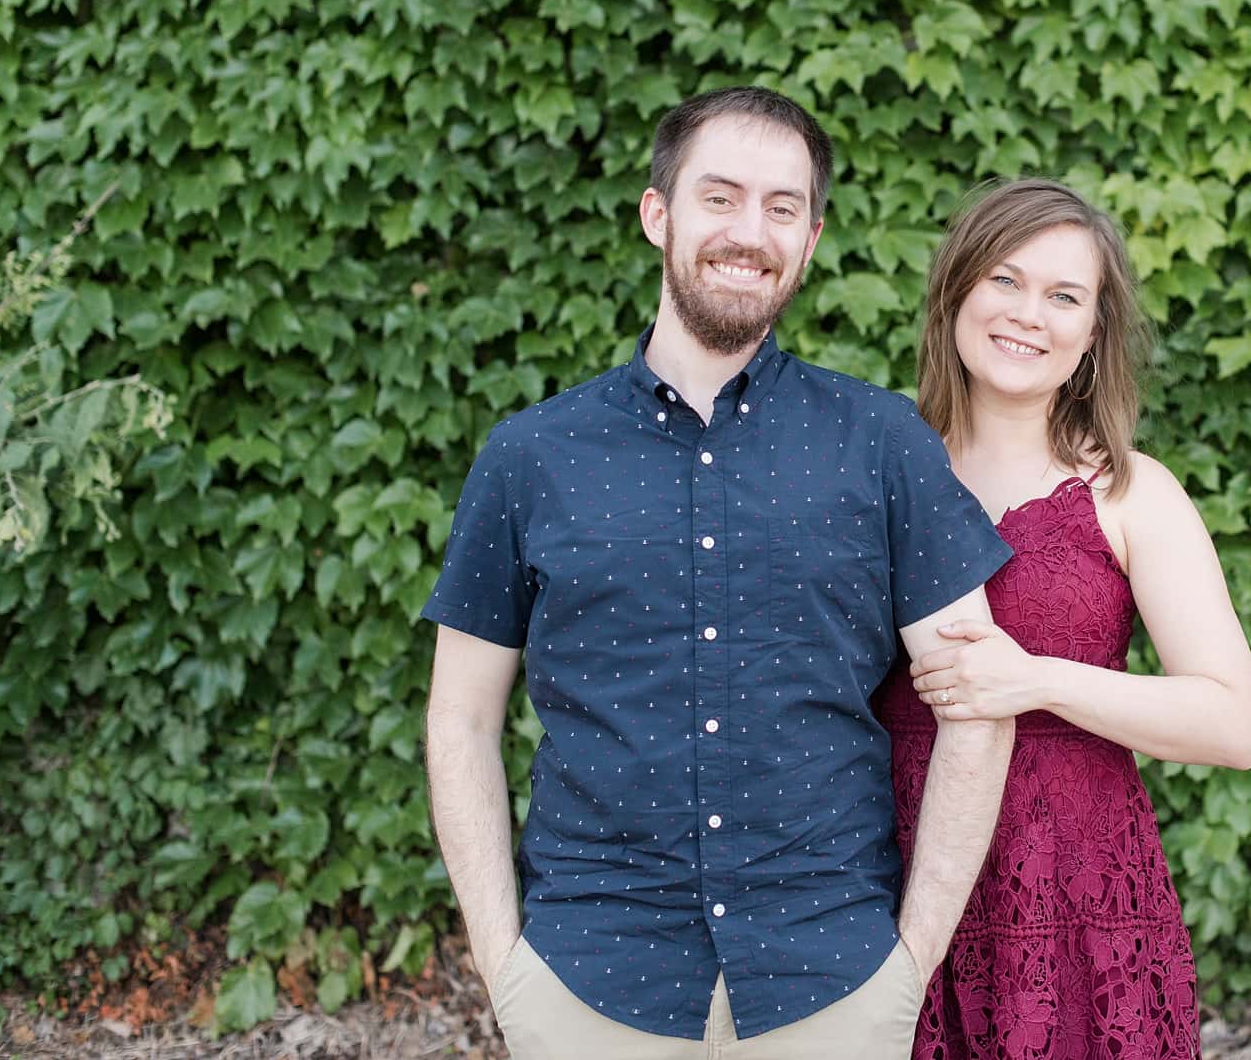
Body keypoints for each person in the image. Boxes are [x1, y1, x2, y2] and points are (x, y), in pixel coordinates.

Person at [421, 86, 1017, 1059]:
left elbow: (978, 701)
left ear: (812, 236)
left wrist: (909, 963)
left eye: (782, 207)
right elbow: (461, 715)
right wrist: (503, 966)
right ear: (658, 212)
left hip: (831, 985)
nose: (750, 230)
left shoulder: (882, 443)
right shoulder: (531, 455)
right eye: (720, 195)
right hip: (585, 985)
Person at [874, 179, 1251, 1060]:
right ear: (956, 290)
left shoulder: (1130, 493)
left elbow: (1234, 723)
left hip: (1073, 899)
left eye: (1063, 296)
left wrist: (1038, 678)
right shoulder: (875, 470)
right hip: (886, 873)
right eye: (1005, 281)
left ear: (1092, 332)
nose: (1027, 315)